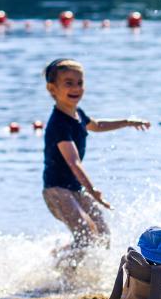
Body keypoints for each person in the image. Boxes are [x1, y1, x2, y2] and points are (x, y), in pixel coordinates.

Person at [43, 58, 148, 259]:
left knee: (102, 234)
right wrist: (93, 191)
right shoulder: (59, 123)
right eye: (68, 83)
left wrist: (127, 122)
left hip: (73, 189)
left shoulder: (77, 114)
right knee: (86, 237)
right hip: (57, 191)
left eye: (80, 83)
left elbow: (97, 125)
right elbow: (74, 163)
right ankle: (58, 272)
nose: (76, 88)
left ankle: (61, 259)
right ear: (52, 89)